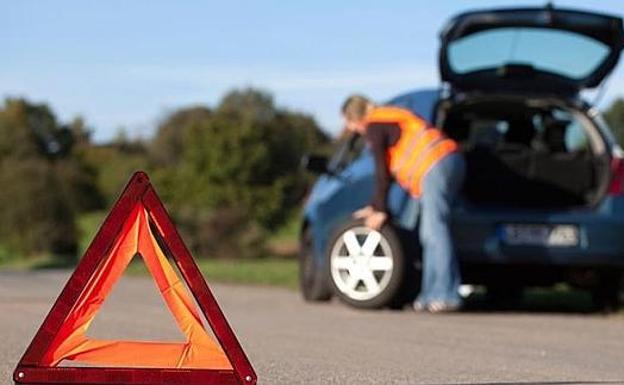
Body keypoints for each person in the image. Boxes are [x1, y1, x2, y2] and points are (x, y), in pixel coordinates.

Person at [341, 94, 466, 313]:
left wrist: (380, 210)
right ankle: (429, 296)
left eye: (349, 124)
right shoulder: (388, 117)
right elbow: (388, 173)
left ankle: (446, 295)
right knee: (428, 231)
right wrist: (375, 205)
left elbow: (381, 170)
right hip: (446, 161)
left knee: (434, 230)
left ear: (354, 117)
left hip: (435, 163)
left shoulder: (374, 124)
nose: (351, 130)